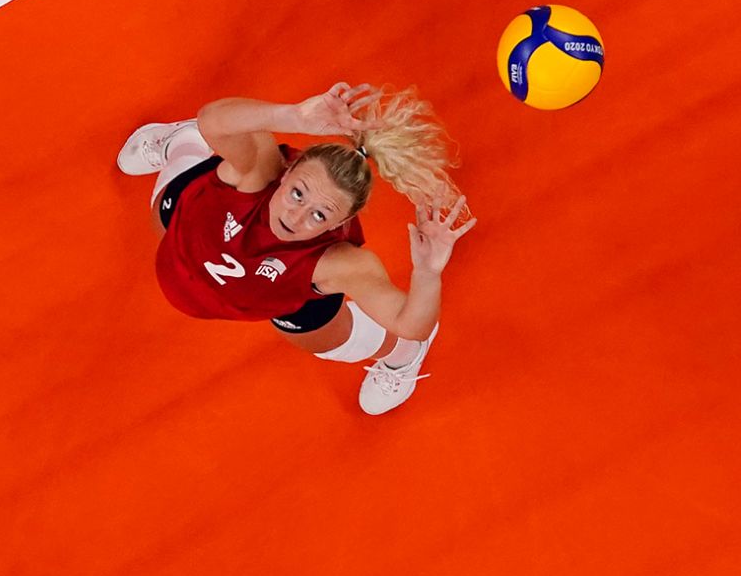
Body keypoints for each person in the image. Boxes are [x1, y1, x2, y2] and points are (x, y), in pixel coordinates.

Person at [117, 82, 476, 414]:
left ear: (339, 226)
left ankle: (404, 358)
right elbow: (212, 119)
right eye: (297, 193)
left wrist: (427, 274)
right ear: (285, 173)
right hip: (187, 239)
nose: (296, 215)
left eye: (319, 214)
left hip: (276, 297)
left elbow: (410, 322)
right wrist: (291, 115)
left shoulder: (340, 264)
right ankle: (182, 142)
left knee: (325, 340)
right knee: (165, 214)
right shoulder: (258, 172)